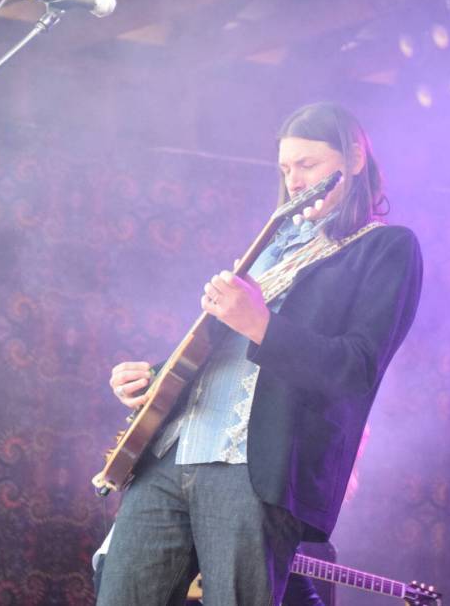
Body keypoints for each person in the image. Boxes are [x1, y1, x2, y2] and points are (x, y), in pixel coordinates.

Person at [96, 102, 423, 606]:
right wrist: (153, 378)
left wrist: (259, 322)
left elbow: (356, 368)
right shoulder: (270, 246)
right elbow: (223, 349)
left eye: (308, 165)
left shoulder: (386, 248)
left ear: (355, 158)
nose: (294, 180)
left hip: (252, 469)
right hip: (171, 454)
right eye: (286, 168)